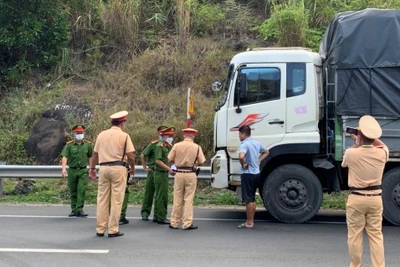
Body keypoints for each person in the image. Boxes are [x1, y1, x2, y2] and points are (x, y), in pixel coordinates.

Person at [342, 115, 388, 267]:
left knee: (354, 236)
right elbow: (381, 144)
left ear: (360, 135)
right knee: (376, 235)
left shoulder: (351, 153)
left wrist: (356, 142)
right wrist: (367, 135)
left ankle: (356, 265)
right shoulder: (382, 153)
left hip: (356, 198)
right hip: (375, 198)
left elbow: (344, 164)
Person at [89, 111, 135, 238]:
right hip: (118, 168)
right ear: (122, 123)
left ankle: (100, 228)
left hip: (103, 168)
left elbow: (95, 154)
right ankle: (113, 229)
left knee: (102, 199)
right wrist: (132, 168)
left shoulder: (101, 135)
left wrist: (92, 168)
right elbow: (130, 155)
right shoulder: (125, 136)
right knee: (116, 200)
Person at [168, 128, 206, 230]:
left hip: (179, 173)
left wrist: (176, 163)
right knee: (188, 199)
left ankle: (174, 222)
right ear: (193, 136)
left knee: (177, 198)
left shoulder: (176, 146)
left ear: (184, 136)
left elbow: (170, 159)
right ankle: (187, 223)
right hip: (191, 173)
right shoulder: (197, 147)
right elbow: (202, 162)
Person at [237, 125, 269, 229]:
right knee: (252, 198)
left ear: (243, 134)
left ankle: (249, 222)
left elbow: (241, 156)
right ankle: (251, 220)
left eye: (239, 134)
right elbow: (266, 152)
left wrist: (243, 164)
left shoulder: (244, 144)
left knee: (248, 200)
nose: (239, 136)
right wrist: (259, 160)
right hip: (256, 173)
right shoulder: (256, 143)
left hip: (248, 174)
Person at [61, 125, 93, 217]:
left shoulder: (88, 145)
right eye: (78, 133)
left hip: (83, 170)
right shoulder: (69, 145)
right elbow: (65, 157)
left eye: (81, 133)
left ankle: (79, 209)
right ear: (73, 134)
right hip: (72, 170)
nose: (80, 135)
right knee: (73, 190)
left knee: (81, 189)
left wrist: (91, 168)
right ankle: (73, 209)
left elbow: (90, 157)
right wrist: (63, 168)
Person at [140, 125, 168, 222]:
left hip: (161, 171)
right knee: (149, 192)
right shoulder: (153, 145)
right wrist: (145, 167)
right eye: (161, 133)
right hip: (152, 170)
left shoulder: (167, 145)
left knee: (160, 194)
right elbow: (143, 155)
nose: (162, 135)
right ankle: (145, 213)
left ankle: (157, 214)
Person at [153, 127, 176, 224]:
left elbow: (169, 160)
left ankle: (157, 216)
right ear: (164, 136)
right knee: (162, 196)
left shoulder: (167, 146)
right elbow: (158, 161)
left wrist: (172, 167)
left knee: (160, 195)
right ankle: (161, 217)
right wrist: (169, 169)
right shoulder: (159, 146)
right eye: (169, 136)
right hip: (160, 173)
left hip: (164, 173)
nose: (171, 138)